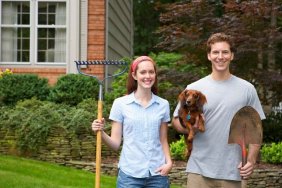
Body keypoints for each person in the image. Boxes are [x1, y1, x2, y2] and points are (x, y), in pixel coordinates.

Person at [172, 32, 266, 188]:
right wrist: (188, 125)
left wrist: (250, 160)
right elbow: (176, 120)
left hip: (233, 170)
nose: (220, 56)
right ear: (209, 56)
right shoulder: (194, 88)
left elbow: (255, 128)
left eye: (225, 52)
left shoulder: (247, 89)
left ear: (232, 55)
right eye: (215, 52)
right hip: (199, 170)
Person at [92, 56, 172, 188]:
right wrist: (100, 132)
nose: (148, 76)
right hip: (129, 176)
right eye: (143, 72)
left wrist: (169, 163)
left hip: (158, 174)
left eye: (151, 72)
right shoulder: (120, 104)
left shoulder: (163, 105)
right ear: (134, 75)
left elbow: (163, 139)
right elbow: (115, 144)